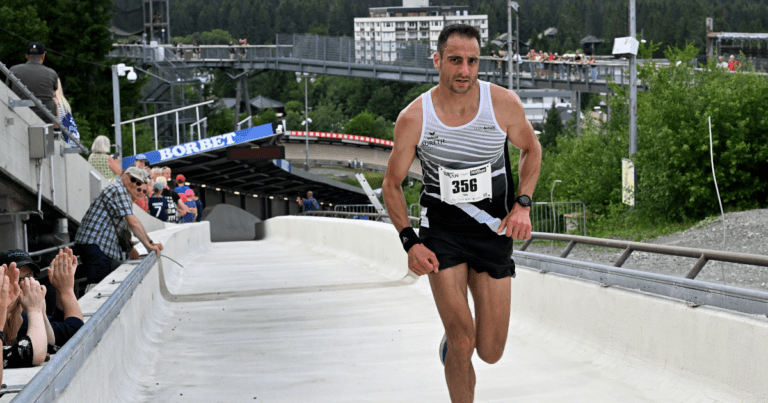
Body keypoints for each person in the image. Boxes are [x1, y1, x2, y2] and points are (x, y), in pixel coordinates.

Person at [381, 23, 541, 403]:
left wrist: (523, 204)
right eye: (455, 60)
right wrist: (410, 242)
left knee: (490, 351)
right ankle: (456, 343)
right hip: (442, 232)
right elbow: (392, 183)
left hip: (492, 229)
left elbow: (532, 150)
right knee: (463, 339)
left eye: (472, 61)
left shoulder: (503, 104)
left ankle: (454, 346)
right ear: (437, 60)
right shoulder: (414, 117)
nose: (464, 70)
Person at [74, 167, 163, 284]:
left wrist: (140, 246)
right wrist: (148, 246)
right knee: (99, 287)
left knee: (99, 281)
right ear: (124, 176)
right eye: (132, 180)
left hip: (95, 245)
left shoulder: (124, 194)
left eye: (138, 183)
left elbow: (123, 230)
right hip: (95, 244)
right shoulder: (119, 189)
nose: (134, 185)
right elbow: (133, 222)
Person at [1, 248, 85, 354]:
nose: (27, 284)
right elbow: (74, 334)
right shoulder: (16, 317)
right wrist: (66, 290)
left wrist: (60, 289)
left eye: (29, 277)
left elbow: (54, 324)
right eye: (18, 278)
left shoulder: (21, 312)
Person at [5, 42, 59, 124]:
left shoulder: (13, 70)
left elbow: (7, 91)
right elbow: (54, 91)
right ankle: (56, 129)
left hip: (20, 115)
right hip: (45, 118)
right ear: (43, 56)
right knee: (56, 99)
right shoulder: (51, 73)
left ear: (26, 56)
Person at [54, 78, 81, 148]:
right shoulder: (64, 104)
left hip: (63, 144)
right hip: (72, 142)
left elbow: (57, 125)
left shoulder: (55, 103)